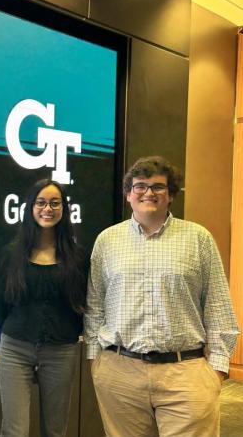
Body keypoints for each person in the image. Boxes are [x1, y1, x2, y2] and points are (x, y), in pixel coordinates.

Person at [85, 156, 240, 437]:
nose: (148, 192)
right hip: (120, 372)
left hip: (186, 373)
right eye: (140, 186)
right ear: (128, 194)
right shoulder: (107, 240)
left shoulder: (197, 238)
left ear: (170, 195)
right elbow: (95, 305)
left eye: (158, 186)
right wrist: (97, 362)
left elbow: (218, 305)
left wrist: (216, 370)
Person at [0, 179, 87, 437]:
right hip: (15, 348)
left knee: (55, 431)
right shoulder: (12, 253)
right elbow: (1, 302)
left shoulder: (77, 256)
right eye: (41, 202)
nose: (48, 209)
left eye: (55, 203)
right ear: (31, 207)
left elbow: (82, 302)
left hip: (61, 350)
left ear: (64, 209)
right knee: (15, 431)